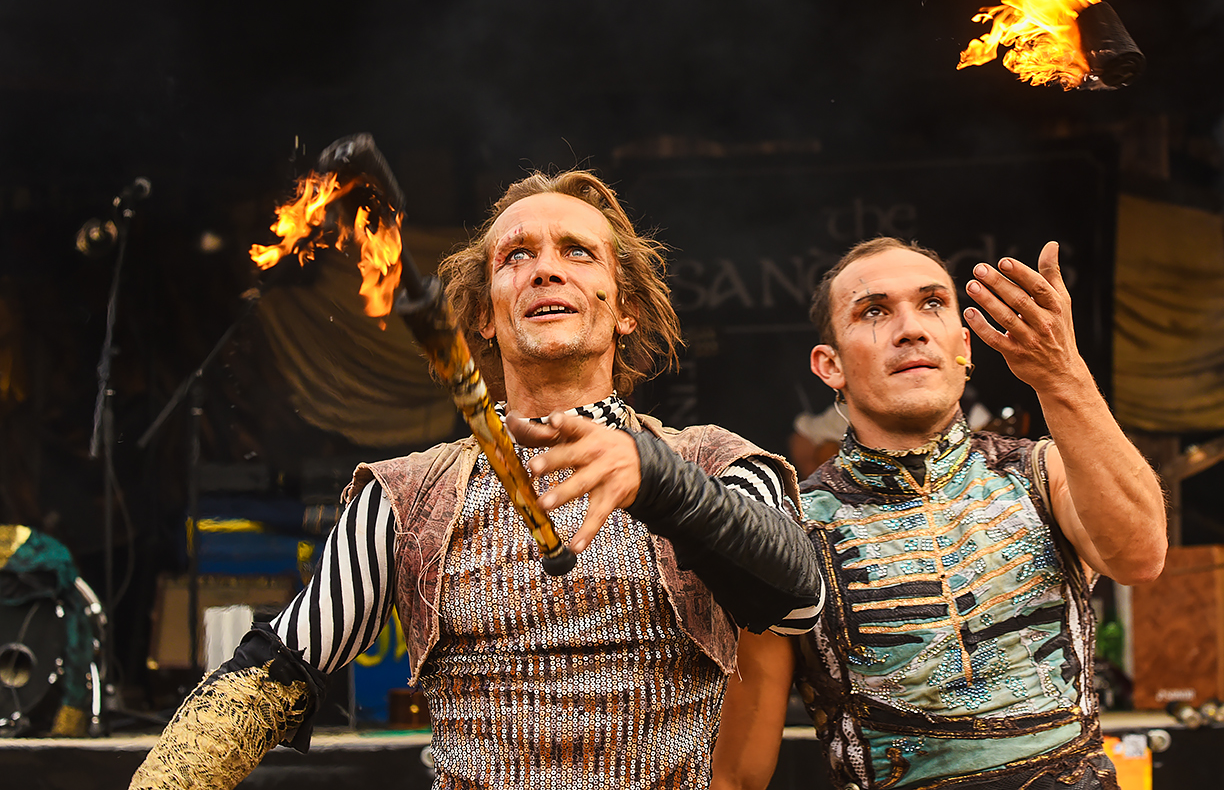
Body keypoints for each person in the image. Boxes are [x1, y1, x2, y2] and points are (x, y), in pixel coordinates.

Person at [131, 171, 824, 790]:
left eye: (577, 252)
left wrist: (661, 482)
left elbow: (798, 597)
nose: (545, 270)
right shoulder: (407, 496)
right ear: (486, 317)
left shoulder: (713, 463)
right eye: (516, 256)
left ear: (625, 308)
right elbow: (272, 673)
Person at [721, 237, 1166, 790]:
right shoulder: (788, 530)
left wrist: (1062, 374)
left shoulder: (1041, 473)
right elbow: (737, 774)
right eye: (874, 311)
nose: (911, 329)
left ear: (966, 345)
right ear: (829, 365)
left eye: (932, 303)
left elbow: (1141, 556)